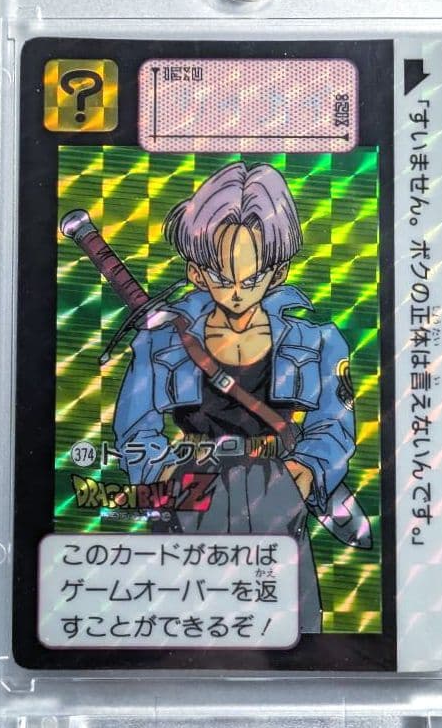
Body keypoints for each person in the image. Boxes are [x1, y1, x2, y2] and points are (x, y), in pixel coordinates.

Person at [113, 161, 356, 632]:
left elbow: (334, 422)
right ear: (197, 272)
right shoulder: (162, 341)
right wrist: (161, 475)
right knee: (181, 623)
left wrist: (305, 472)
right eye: (223, 278)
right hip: (191, 488)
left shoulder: (315, 339)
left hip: (274, 488)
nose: (238, 293)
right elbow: (135, 428)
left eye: (251, 278)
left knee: (289, 628)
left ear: (277, 272)